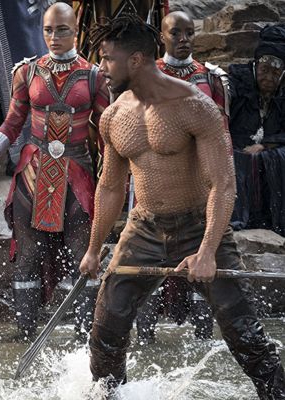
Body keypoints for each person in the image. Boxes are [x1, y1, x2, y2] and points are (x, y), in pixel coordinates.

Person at [81, 15, 285, 398]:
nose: (102, 68)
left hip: (200, 226)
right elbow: (109, 187)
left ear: (137, 60)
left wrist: (207, 251)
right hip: (144, 229)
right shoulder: (114, 115)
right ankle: (109, 394)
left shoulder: (195, 106)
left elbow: (223, 184)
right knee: (106, 331)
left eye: (108, 59)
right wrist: (94, 250)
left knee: (245, 335)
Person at [0, 2, 109, 338]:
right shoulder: (27, 72)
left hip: (76, 171)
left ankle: (85, 332)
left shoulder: (94, 76)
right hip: (32, 172)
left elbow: (107, 129)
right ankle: (25, 330)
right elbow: (13, 122)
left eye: (61, 29)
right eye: (48, 29)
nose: (54, 36)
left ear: (75, 30)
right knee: (27, 254)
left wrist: (117, 169)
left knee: (82, 253)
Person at [135, 10, 227, 344]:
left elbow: (223, 135)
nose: (184, 38)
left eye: (189, 32)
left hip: (200, 183)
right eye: (176, 32)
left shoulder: (211, 78)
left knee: (201, 258)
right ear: (162, 36)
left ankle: (202, 342)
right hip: (158, 182)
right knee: (152, 259)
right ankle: (145, 344)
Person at [228, 24, 285, 235]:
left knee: (278, 156)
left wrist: (265, 144)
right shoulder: (237, 80)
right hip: (237, 146)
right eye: (264, 70)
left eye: (275, 72)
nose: (269, 77)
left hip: (268, 147)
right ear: (255, 67)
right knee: (231, 158)